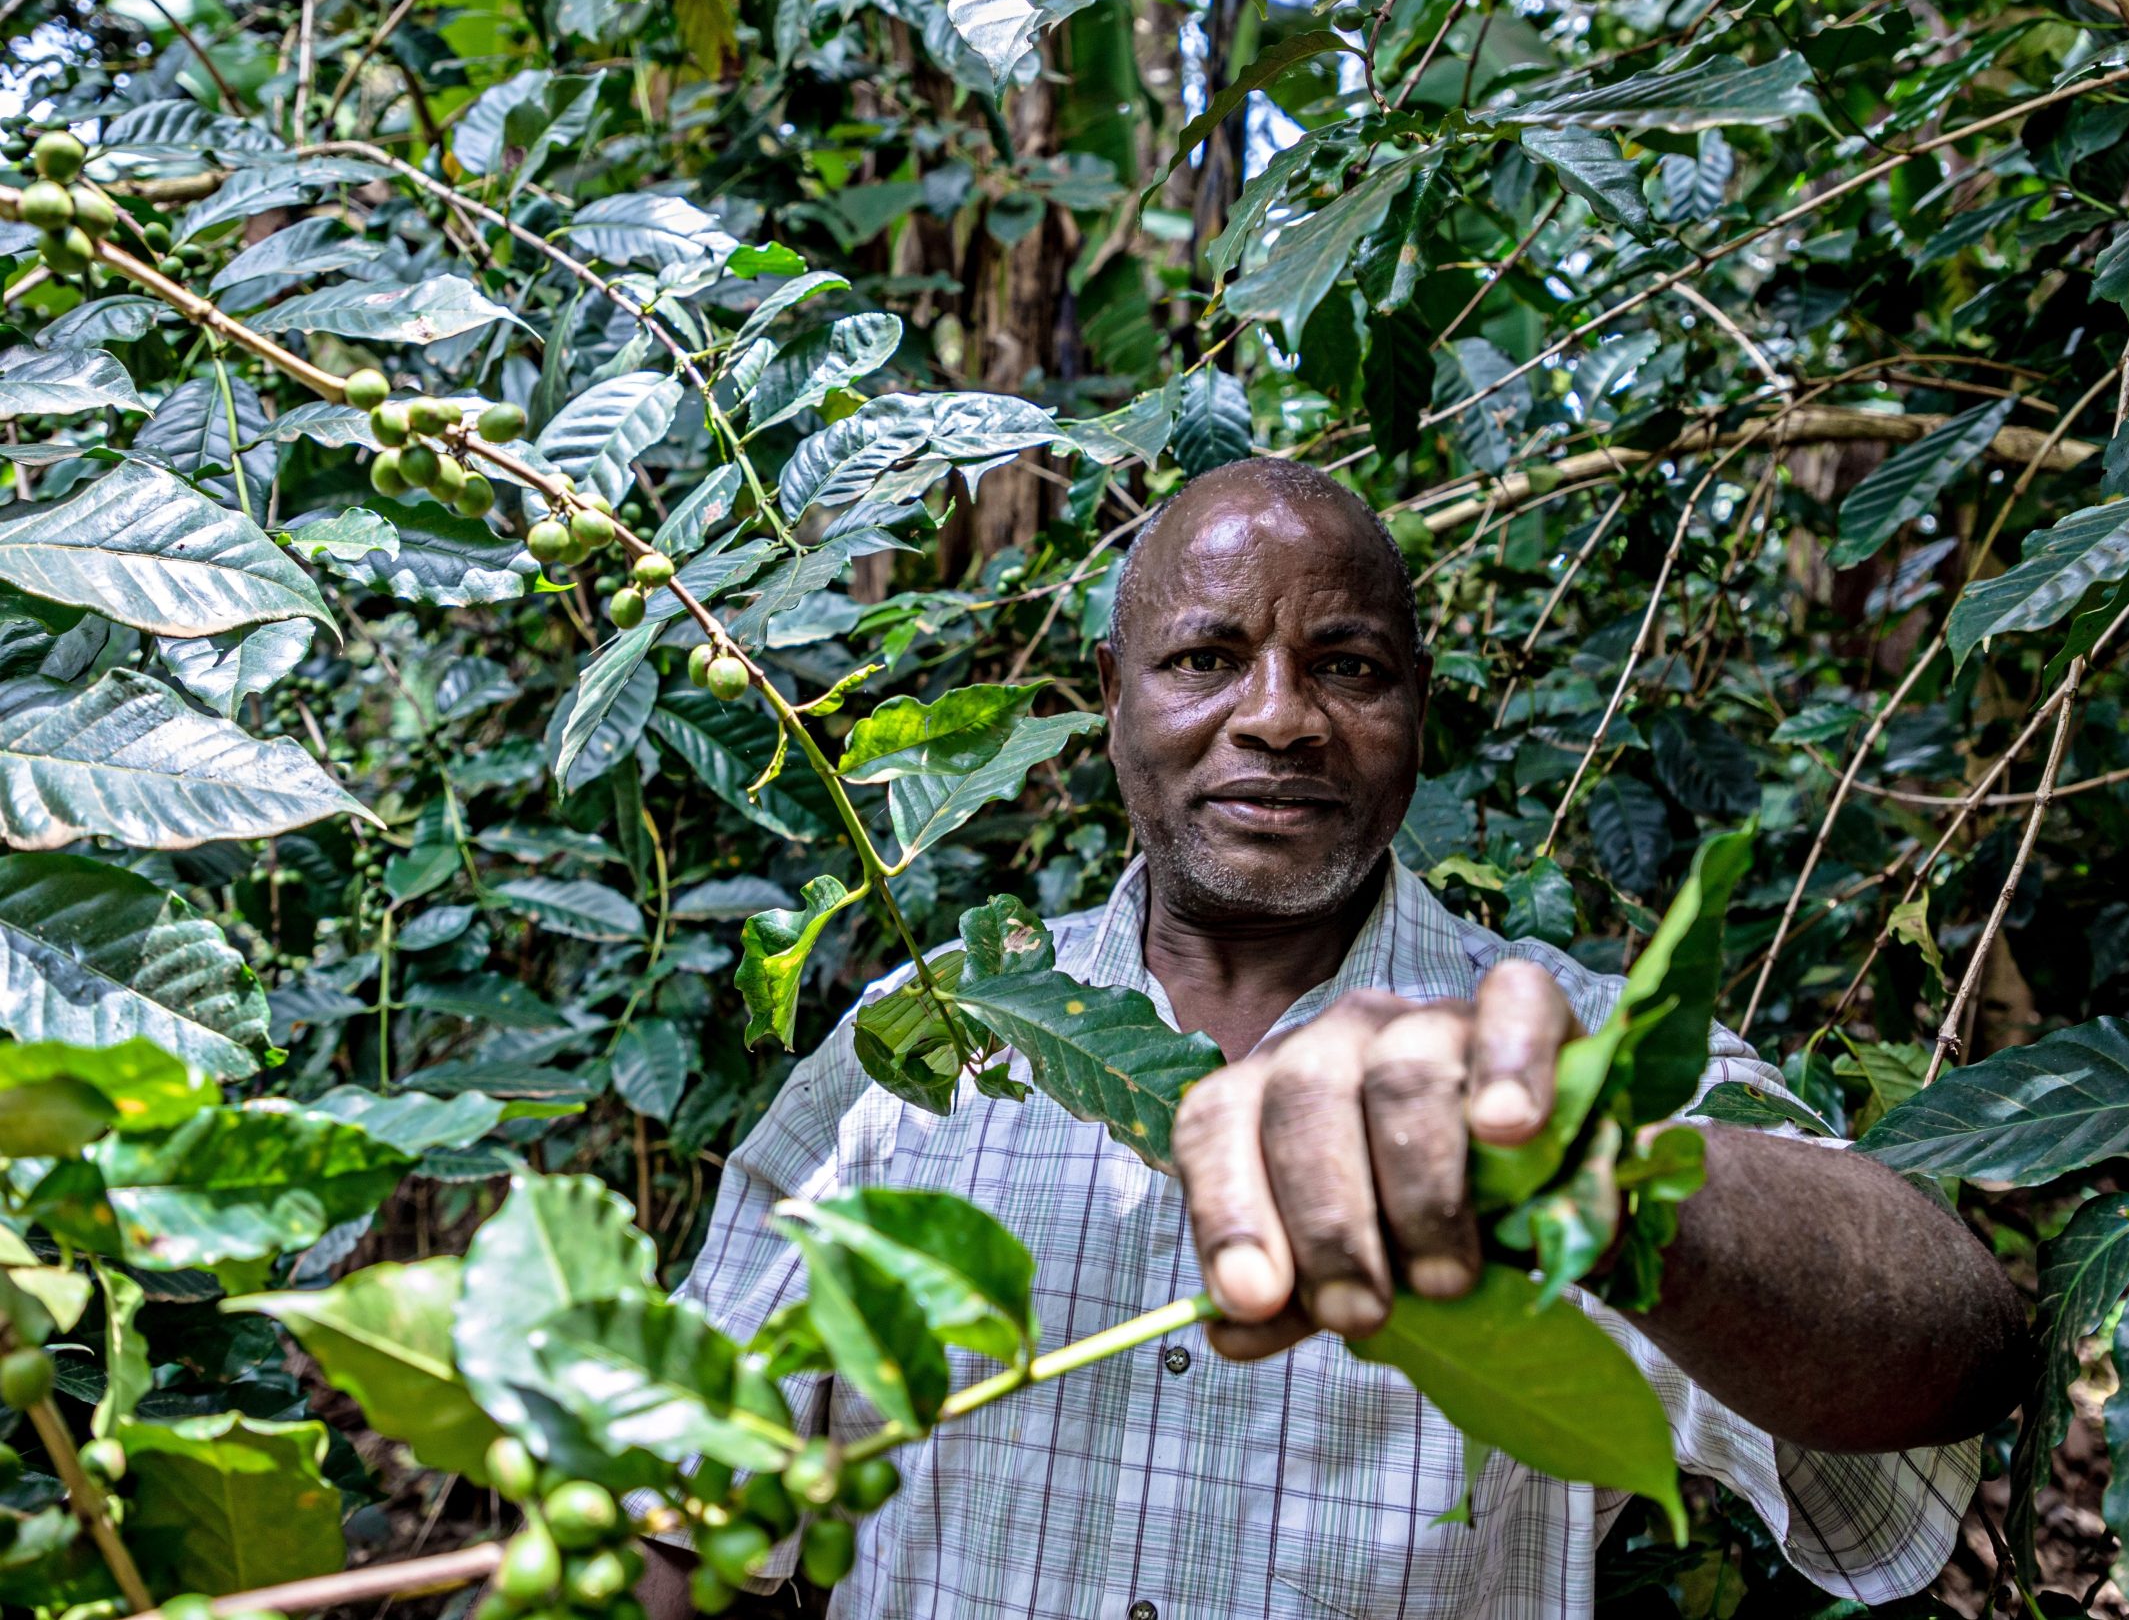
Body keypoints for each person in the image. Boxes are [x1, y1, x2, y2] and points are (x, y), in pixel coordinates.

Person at [638, 458, 2026, 1620]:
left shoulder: (1561, 1054)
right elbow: (680, 1515)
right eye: (1206, 658)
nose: (1281, 716)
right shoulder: (924, 1040)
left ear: (1416, 707)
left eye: (1345, 666)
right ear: (1113, 694)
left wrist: (1582, 1173)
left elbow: (1950, 1355)